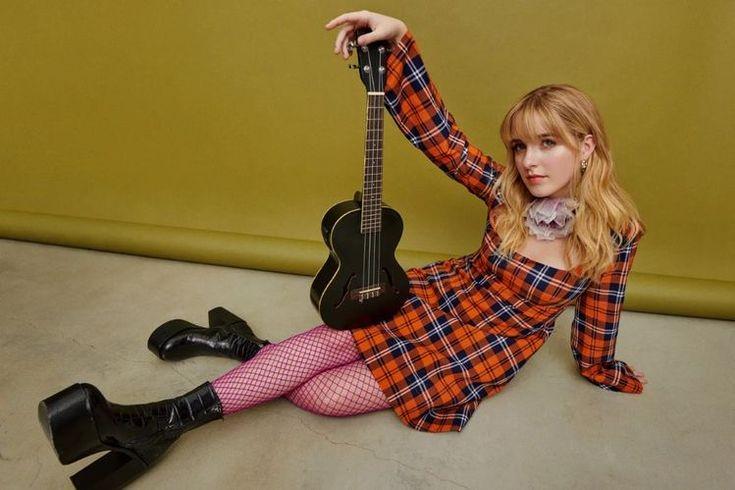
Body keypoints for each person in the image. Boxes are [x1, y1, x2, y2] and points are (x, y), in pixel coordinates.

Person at [37, 9, 648, 489]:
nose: (529, 161)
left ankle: (235, 343)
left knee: (323, 395)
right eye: (519, 146)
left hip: (485, 345)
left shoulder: (616, 234)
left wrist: (602, 369)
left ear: (586, 145)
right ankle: (154, 420)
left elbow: (600, 317)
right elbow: (440, 137)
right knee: (323, 344)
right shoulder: (506, 193)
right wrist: (400, 41)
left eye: (547, 143)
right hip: (444, 294)